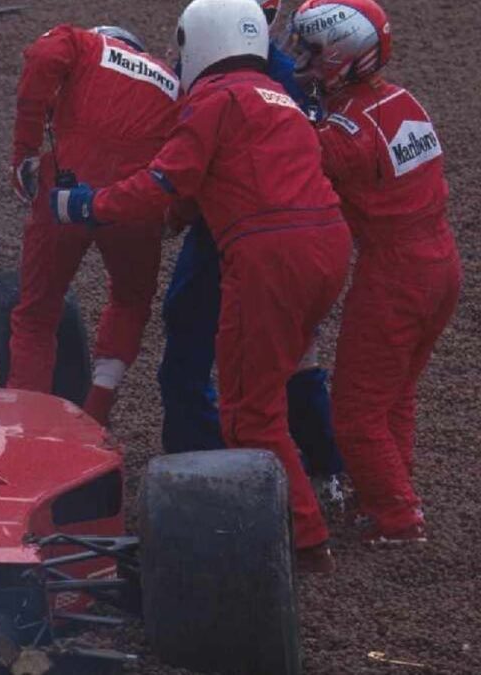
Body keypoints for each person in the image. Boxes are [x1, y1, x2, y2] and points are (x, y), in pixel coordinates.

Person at [50, 0, 351, 573]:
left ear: (203, 41)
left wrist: (88, 204)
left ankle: (303, 542)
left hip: (268, 253)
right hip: (326, 244)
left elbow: (167, 180)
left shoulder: (214, 99)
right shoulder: (277, 94)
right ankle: (324, 478)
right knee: (285, 372)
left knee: (249, 413)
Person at [157, 0, 345, 503]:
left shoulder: (280, 77)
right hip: (248, 223)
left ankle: (315, 469)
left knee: (276, 360)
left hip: (248, 228)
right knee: (210, 338)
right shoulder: (277, 74)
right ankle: (203, 457)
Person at [290, 0, 461, 545]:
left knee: (357, 410)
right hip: (441, 264)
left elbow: (296, 158)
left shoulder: (343, 136)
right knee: (396, 395)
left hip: (395, 272)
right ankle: (386, 496)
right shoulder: (403, 98)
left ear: (343, 55)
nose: (305, 63)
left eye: (314, 52)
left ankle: (398, 517)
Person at [7, 23, 180, 426]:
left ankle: (25, 426)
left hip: (67, 190)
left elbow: (45, 58)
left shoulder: (82, 44)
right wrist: (180, 212)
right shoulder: (174, 81)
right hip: (135, 201)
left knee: (36, 314)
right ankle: (97, 413)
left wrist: (24, 151)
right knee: (130, 300)